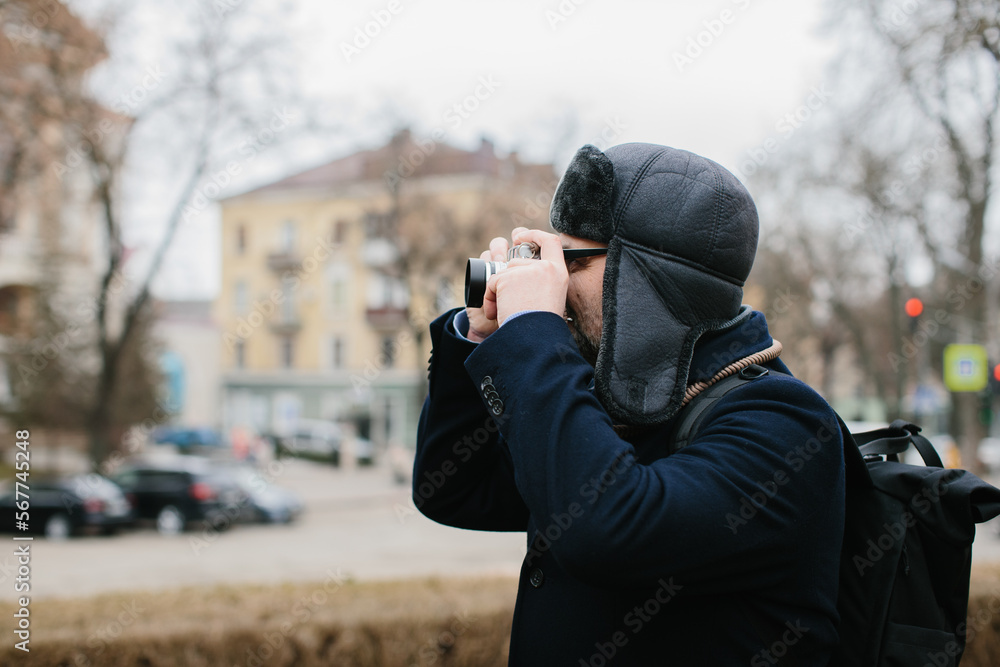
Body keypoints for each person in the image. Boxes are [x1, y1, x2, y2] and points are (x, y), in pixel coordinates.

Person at [413, 142, 845, 665]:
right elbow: (455, 489)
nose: (553, 282)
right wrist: (484, 340)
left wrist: (533, 333)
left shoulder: (785, 426)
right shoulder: (621, 405)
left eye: (567, 261)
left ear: (643, 280)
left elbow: (605, 531)